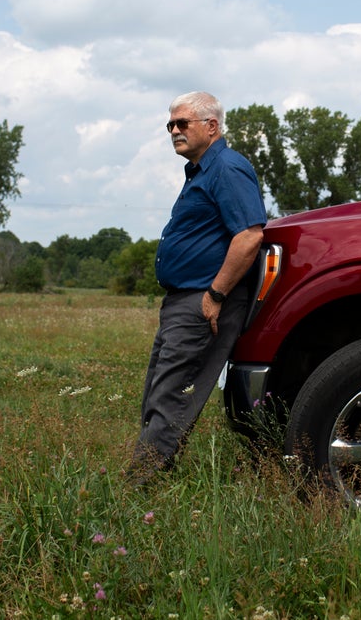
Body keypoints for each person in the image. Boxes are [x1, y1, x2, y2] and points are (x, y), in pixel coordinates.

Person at [129, 91, 267, 483]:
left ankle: (140, 486)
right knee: (158, 392)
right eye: (170, 125)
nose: (174, 131)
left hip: (202, 301)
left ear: (212, 126)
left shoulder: (226, 167)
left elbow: (249, 236)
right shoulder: (203, 170)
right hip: (184, 301)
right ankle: (150, 475)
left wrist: (215, 295)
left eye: (182, 123)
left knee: (170, 395)